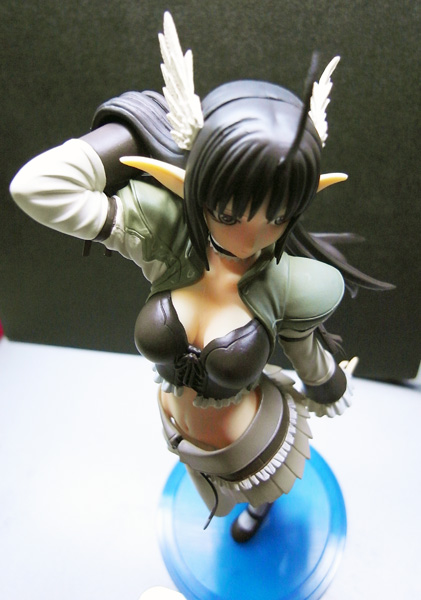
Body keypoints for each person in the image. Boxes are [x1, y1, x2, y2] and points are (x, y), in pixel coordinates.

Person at [9, 12, 392, 542]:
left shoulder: (286, 283)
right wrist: (137, 132)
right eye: (230, 214)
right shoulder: (166, 238)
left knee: (254, 498)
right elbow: (38, 188)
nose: (250, 237)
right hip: (173, 426)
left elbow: (304, 349)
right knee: (207, 496)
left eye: (277, 216)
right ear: (198, 185)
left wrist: (327, 384)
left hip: (249, 442)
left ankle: (259, 512)